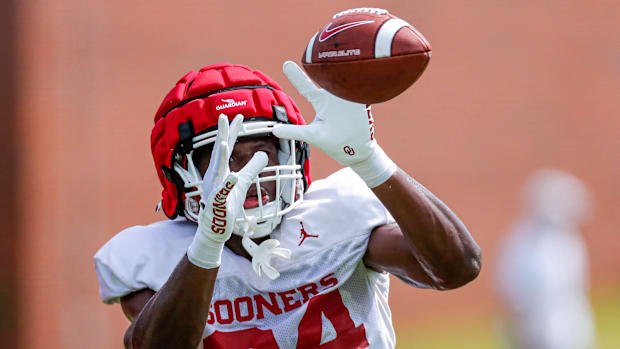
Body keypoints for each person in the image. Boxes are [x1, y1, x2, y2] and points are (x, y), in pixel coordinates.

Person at [94, 61, 481, 349]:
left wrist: (369, 160)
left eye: (262, 152)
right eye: (226, 157)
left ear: (291, 156)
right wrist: (209, 243)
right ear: (180, 174)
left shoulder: (336, 216)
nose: (252, 173)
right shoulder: (155, 257)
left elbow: (458, 267)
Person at [495, 169, 595, 349]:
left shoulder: (569, 239)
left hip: (570, 327)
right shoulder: (521, 240)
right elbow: (510, 285)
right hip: (531, 328)